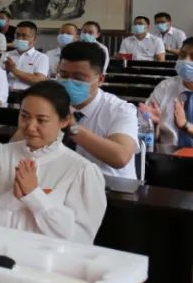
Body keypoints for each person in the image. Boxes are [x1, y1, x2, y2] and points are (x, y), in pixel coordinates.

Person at [0, 81, 106, 244]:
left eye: (42, 120)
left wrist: (33, 195)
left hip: (46, 258)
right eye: (24, 116)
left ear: (64, 121)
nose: (30, 127)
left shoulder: (80, 170)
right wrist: (12, 197)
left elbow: (81, 238)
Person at [43, 42, 138, 182]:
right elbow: (20, 143)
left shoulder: (120, 110)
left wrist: (73, 128)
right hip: (61, 182)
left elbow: (120, 157)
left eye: (78, 78)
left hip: (109, 186)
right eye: (63, 75)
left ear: (100, 79)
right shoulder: (51, 102)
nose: (68, 82)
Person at [143, 37, 193, 148]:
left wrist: (186, 126)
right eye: (182, 55)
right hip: (166, 155)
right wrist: (153, 125)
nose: (186, 61)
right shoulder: (165, 87)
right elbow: (147, 133)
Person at [3, 20, 49, 91]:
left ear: (34, 38)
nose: (20, 38)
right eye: (17, 35)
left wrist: (14, 70)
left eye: (24, 36)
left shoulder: (41, 57)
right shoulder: (7, 54)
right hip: (6, 93)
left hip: (28, 94)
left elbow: (39, 80)